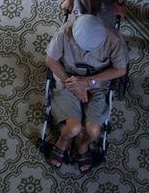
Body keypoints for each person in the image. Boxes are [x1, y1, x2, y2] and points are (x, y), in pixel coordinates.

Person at [45, 14, 128, 173]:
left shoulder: (114, 40)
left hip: (97, 84)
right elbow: (51, 60)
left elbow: (121, 69)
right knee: (73, 128)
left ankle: (82, 144)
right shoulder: (64, 32)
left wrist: (90, 81)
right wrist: (71, 83)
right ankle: (63, 140)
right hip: (68, 80)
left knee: (93, 131)